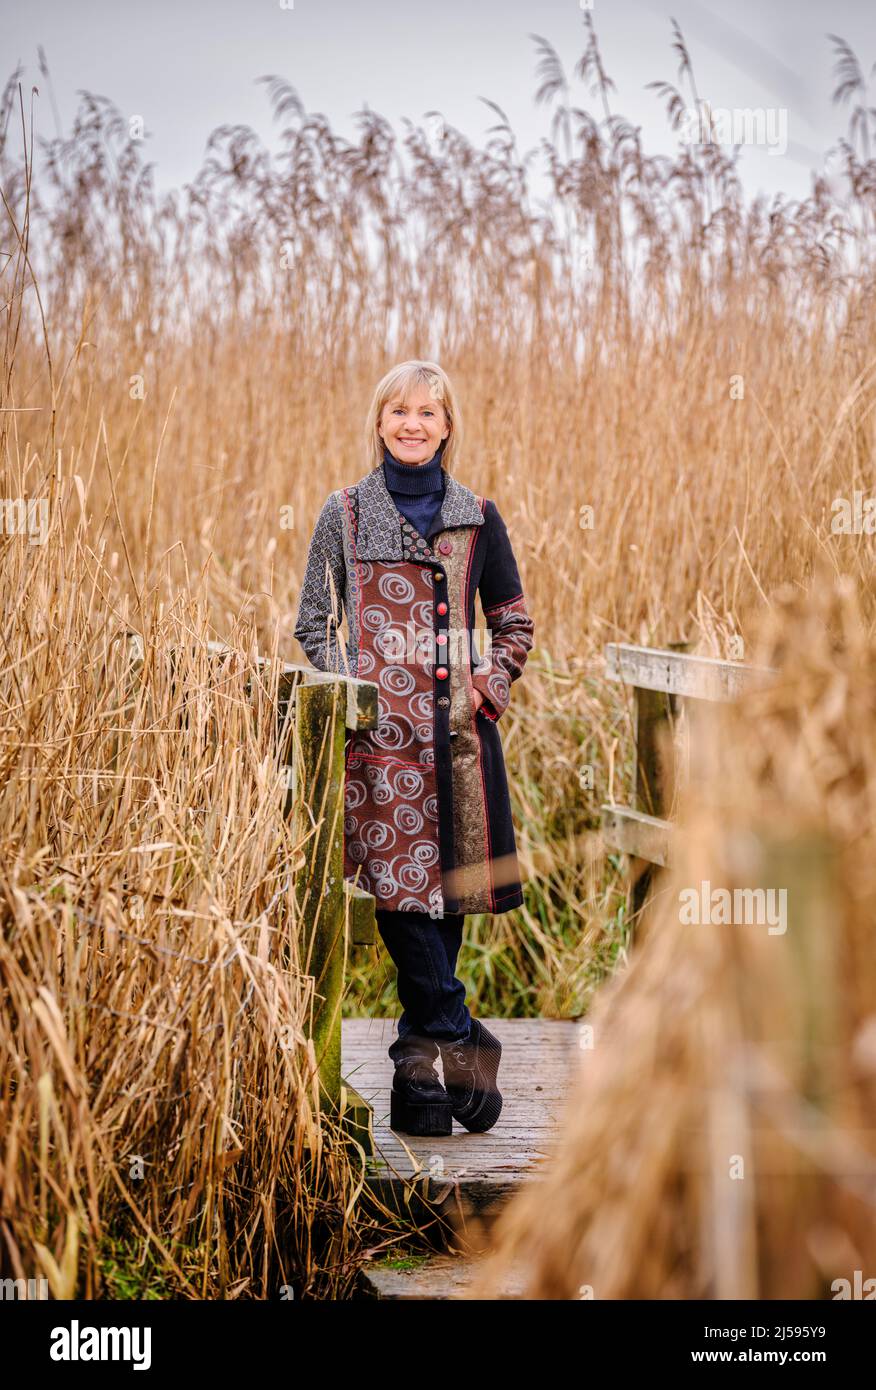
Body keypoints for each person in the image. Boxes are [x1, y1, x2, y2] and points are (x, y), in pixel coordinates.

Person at [293, 360, 534, 1136]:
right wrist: (353, 691)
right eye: (399, 410)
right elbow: (312, 624)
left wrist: (482, 690)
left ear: (448, 425)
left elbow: (515, 624)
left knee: (447, 898)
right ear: (379, 421)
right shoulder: (346, 513)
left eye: (428, 412)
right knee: (401, 898)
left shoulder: (478, 515)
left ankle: (419, 1076)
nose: (412, 424)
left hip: (457, 748)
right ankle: (460, 1042)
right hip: (378, 751)